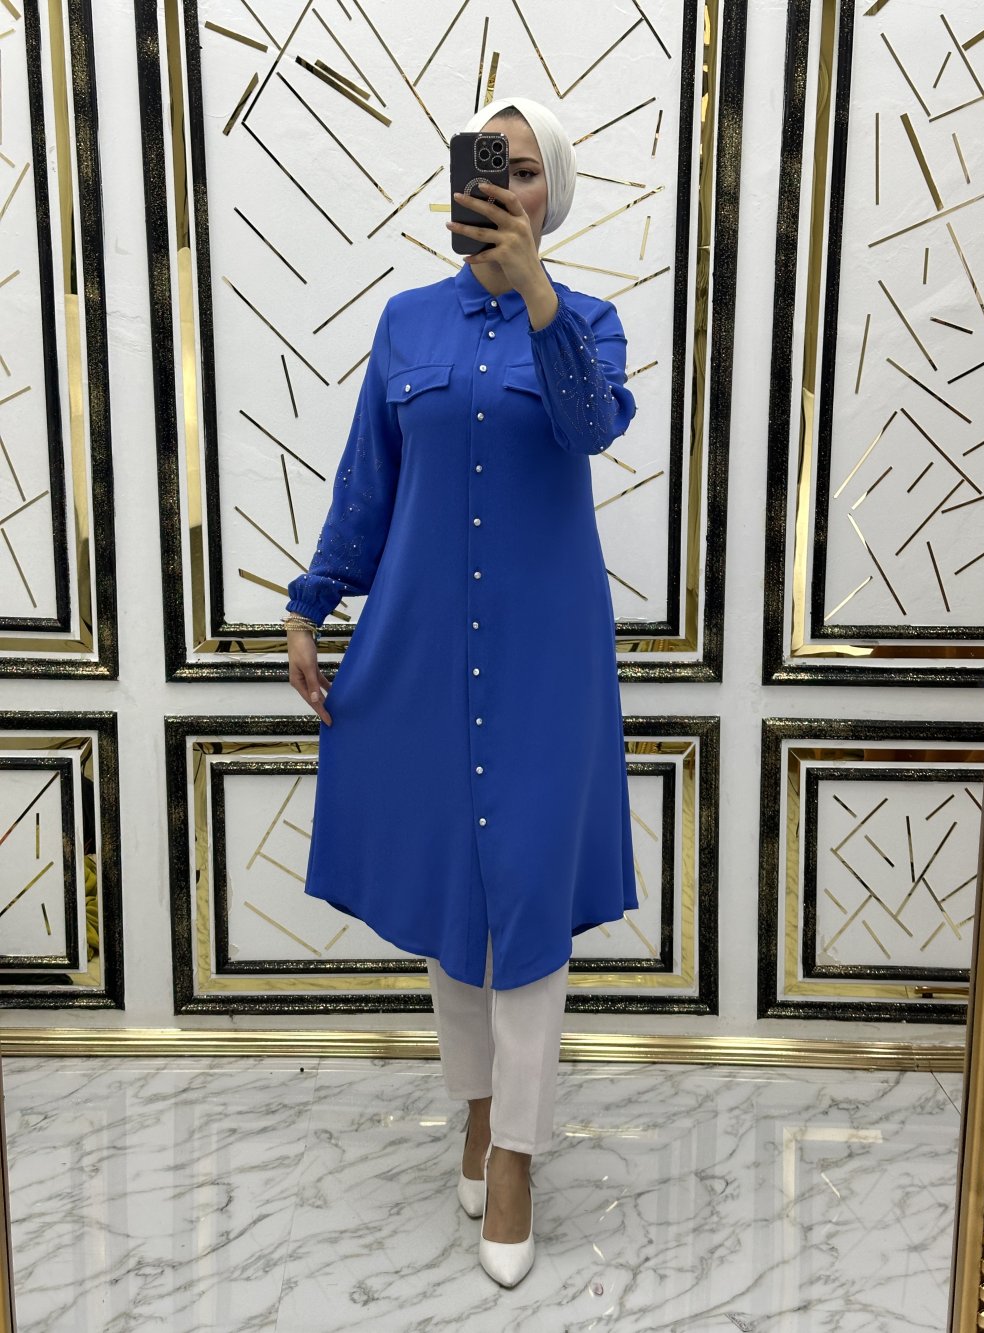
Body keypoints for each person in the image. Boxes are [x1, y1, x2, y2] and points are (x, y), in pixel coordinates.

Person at [284, 95, 639, 1287]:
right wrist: (310, 601)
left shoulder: (587, 321)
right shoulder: (404, 323)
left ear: (552, 193)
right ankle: (479, 1109)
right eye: (493, 166)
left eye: (526, 169)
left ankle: (519, 1154)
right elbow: (369, 479)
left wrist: (536, 290)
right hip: (424, 644)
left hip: (546, 658)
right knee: (453, 890)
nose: (507, 186)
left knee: (526, 894)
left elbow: (590, 428)